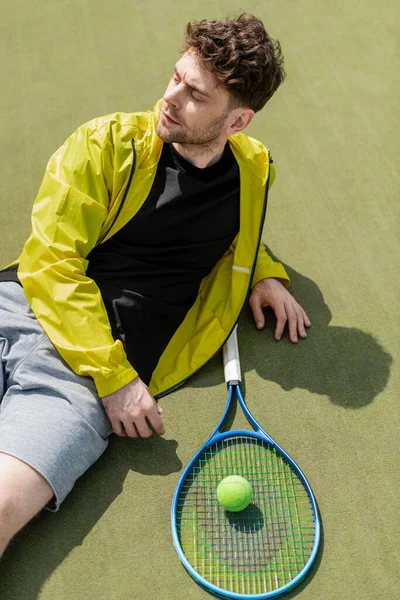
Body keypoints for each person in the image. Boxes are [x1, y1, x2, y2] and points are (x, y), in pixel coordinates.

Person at [0, 13, 311, 557]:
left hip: (76, 385)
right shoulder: (104, 145)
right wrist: (118, 379)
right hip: (24, 309)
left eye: (195, 94)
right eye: (176, 77)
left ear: (238, 122)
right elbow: (51, 264)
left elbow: (241, 229)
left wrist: (263, 272)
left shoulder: (254, 171)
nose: (171, 97)